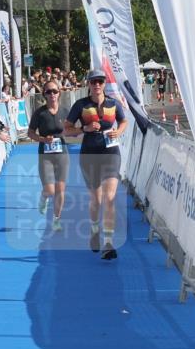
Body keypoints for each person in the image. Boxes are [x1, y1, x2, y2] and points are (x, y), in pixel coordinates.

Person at [64, 69, 128, 260]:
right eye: (93, 82)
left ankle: (108, 242)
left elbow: (123, 120)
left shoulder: (113, 103)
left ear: (104, 83)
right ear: (89, 84)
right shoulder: (81, 105)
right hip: (89, 154)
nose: (97, 85)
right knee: (96, 199)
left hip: (110, 153)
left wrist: (119, 131)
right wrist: (85, 128)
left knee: (109, 198)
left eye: (100, 81)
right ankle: (94, 231)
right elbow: (67, 130)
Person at [28, 80, 69, 231]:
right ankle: (44, 197)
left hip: (62, 153)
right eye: (48, 92)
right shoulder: (39, 113)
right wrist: (43, 139)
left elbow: (72, 129)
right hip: (45, 154)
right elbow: (30, 133)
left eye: (55, 91)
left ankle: (57, 220)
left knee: (60, 189)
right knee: (50, 190)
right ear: (44, 94)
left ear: (59, 93)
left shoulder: (65, 111)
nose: (52, 94)